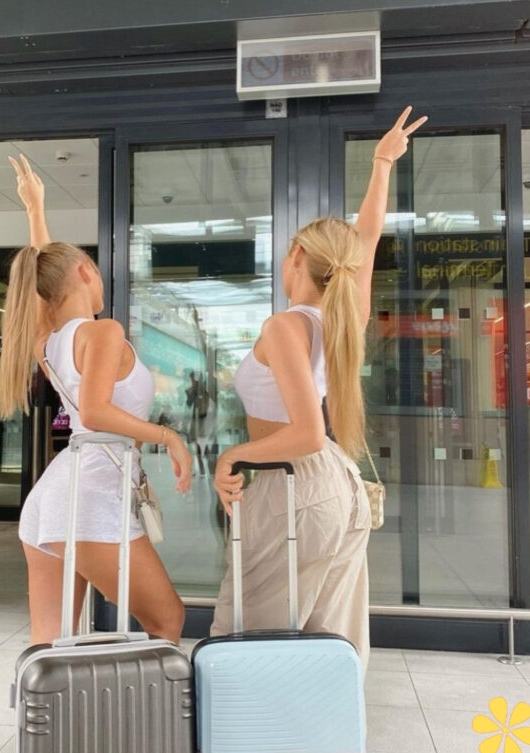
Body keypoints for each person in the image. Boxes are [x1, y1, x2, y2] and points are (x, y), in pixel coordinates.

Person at [211, 107, 428, 671]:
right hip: (338, 487)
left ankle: (252, 749)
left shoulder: (285, 325)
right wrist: (382, 164)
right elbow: (370, 236)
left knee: (246, 634)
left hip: (292, 487)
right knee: (328, 641)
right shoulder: (342, 320)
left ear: (298, 257)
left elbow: (304, 434)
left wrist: (232, 454)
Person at [0, 154, 193, 645]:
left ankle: (42, 723)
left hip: (55, 496)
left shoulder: (48, 340)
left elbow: (43, 275)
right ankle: (147, 721)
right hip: (92, 494)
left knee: (49, 643)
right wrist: (169, 436)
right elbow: (97, 412)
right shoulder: (104, 331)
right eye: (96, 271)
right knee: (166, 621)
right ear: (86, 271)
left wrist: (36, 211)